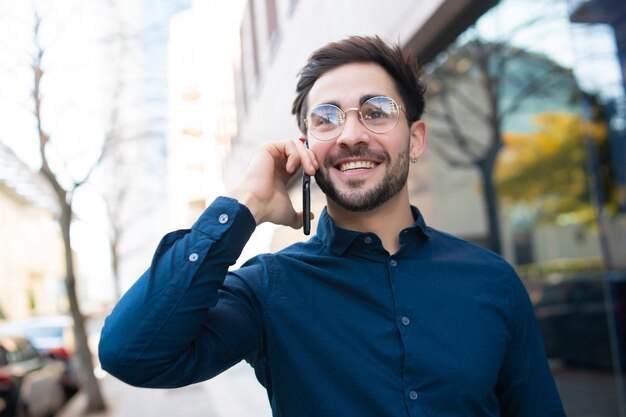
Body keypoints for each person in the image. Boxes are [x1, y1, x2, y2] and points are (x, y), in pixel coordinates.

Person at [99, 36, 566, 417]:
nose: (350, 134)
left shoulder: (493, 281)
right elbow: (132, 354)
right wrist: (245, 204)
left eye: (377, 111)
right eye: (326, 119)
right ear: (304, 148)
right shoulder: (267, 290)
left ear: (416, 138)